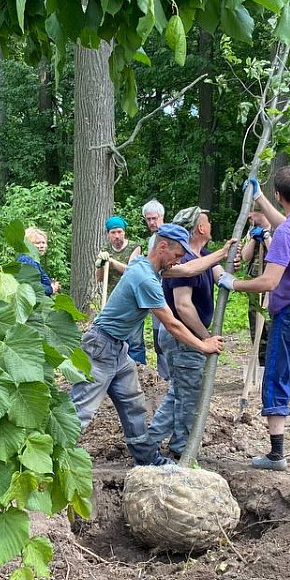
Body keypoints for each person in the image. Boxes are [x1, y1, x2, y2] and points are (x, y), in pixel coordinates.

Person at [70, 223, 231, 466]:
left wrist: (221, 253)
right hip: (100, 347)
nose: (177, 261)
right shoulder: (145, 278)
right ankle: (48, 459)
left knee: (134, 406)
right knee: (82, 410)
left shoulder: (148, 266)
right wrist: (203, 344)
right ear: (163, 247)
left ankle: (146, 459)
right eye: (176, 255)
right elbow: (173, 324)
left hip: (118, 349)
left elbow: (188, 270)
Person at [218, 166, 290, 472]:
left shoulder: (285, 235)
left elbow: (268, 282)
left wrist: (234, 283)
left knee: (277, 376)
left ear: (279, 195)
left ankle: (276, 454)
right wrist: (259, 197)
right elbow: (288, 223)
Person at [146, 207, 223, 460]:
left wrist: (236, 252)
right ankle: (180, 449)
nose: (211, 224)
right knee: (188, 395)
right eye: (208, 221)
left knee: (180, 392)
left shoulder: (202, 256)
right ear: (200, 227)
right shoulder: (180, 260)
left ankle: (152, 442)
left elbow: (221, 274)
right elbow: (183, 306)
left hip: (187, 337)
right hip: (184, 338)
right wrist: (204, 337)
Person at [95, 216, 144, 363]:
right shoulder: (105, 249)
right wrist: (100, 265)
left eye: (119, 232)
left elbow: (132, 270)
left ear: (124, 232)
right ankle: (117, 368)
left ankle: (138, 370)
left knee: (135, 340)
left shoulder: (134, 247)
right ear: (108, 234)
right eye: (113, 233)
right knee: (115, 337)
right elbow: (99, 278)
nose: (117, 236)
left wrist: (112, 261)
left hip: (133, 299)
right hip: (112, 299)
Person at [238, 207, 273, 367]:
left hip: (272, 283)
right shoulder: (251, 231)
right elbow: (245, 257)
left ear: (263, 214)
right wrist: (252, 238)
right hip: (254, 282)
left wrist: (266, 237)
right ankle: (260, 363)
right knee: (255, 320)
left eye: (253, 213)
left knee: (269, 322)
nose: (249, 215)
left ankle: (272, 361)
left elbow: (276, 253)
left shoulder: (277, 229)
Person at [141, 199, 169, 380]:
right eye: (148, 219)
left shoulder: (169, 236)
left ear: (162, 217)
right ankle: (163, 377)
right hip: (155, 291)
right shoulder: (153, 239)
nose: (152, 222)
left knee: (169, 335)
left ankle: (172, 378)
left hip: (168, 291)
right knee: (158, 338)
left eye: (154, 218)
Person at [17, 227, 60, 296]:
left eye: (43, 243)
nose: (42, 246)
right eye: (37, 243)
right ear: (28, 245)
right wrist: (51, 289)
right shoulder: (26, 260)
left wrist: (52, 285)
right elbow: (31, 286)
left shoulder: (34, 260)